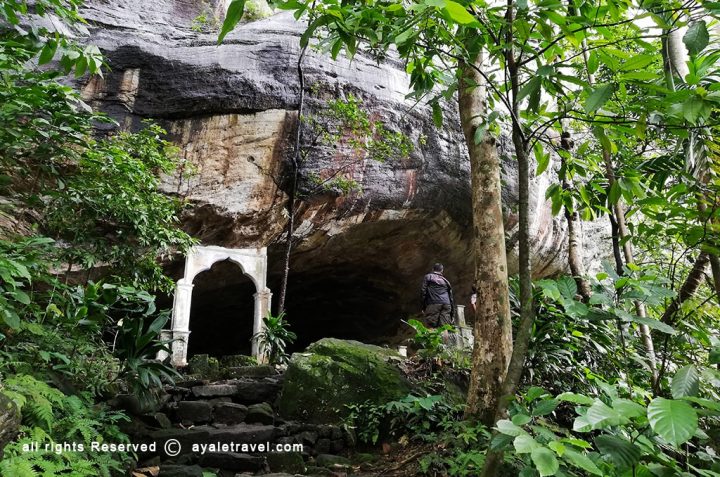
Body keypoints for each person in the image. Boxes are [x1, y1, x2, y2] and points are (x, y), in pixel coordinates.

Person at [420, 263, 454, 328]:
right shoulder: (446, 281)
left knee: (431, 326)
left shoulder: (428, 276)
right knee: (444, 327)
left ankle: (432, 337)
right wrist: (452, 314)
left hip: (433, 303)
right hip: (446, 304)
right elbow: (451, 298)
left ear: (433, 269)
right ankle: (445, 338)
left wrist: (423, 307)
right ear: (442, 270)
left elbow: (423, 291)